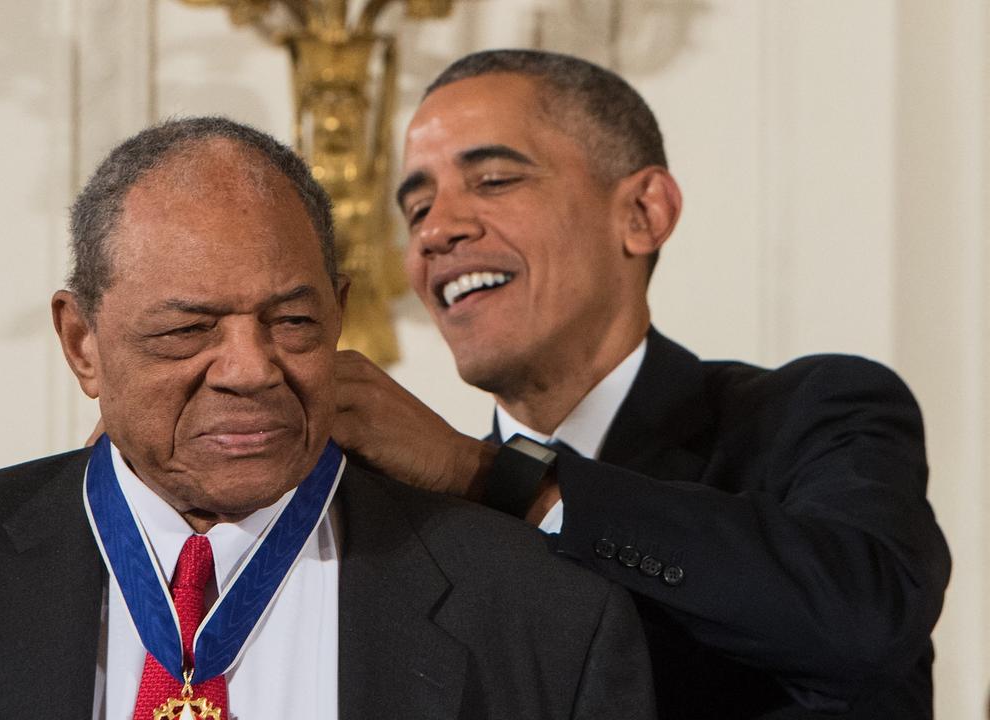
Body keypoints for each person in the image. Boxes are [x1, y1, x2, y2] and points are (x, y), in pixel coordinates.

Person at [0, 117, 655, 719]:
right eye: (186, 330)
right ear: (82, 342)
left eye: (293, 322)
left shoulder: (544, 613)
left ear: (340, 315)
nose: (251, 370)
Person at [332, 50, 951, 720]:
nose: (436, 231)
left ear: (643, 213)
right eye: (418, 206)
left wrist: (496, 477)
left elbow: (862, 621)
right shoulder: (406, 521)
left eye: (494, 180)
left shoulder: (817, 412)